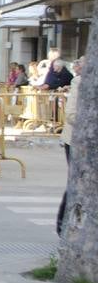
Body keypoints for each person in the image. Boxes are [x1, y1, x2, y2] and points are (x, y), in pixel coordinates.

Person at [58, 57, 83, 234]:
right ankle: (62, 223)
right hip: (75, 140)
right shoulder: (79, 81)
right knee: (76, 182)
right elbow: (71, 114)